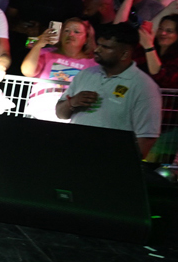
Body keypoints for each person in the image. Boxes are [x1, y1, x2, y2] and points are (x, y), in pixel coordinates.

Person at [57, 24, 162, 158]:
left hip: (109, 162)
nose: (97, 50)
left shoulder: (144, 87)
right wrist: (72, 103)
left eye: (105, 47)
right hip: (73, 154)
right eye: (98, 45)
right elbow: (60, 114)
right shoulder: (85, 74)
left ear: (125, 54)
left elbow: (146, 139)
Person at [20, 16, 97, 119]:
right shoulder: (46, 53)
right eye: (66, 31)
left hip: (72, 113)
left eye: (76, 32)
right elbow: (27, 71)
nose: (70, 34)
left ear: (86, 38)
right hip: (40, 110)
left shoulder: (93, 63)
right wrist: (38, 45)